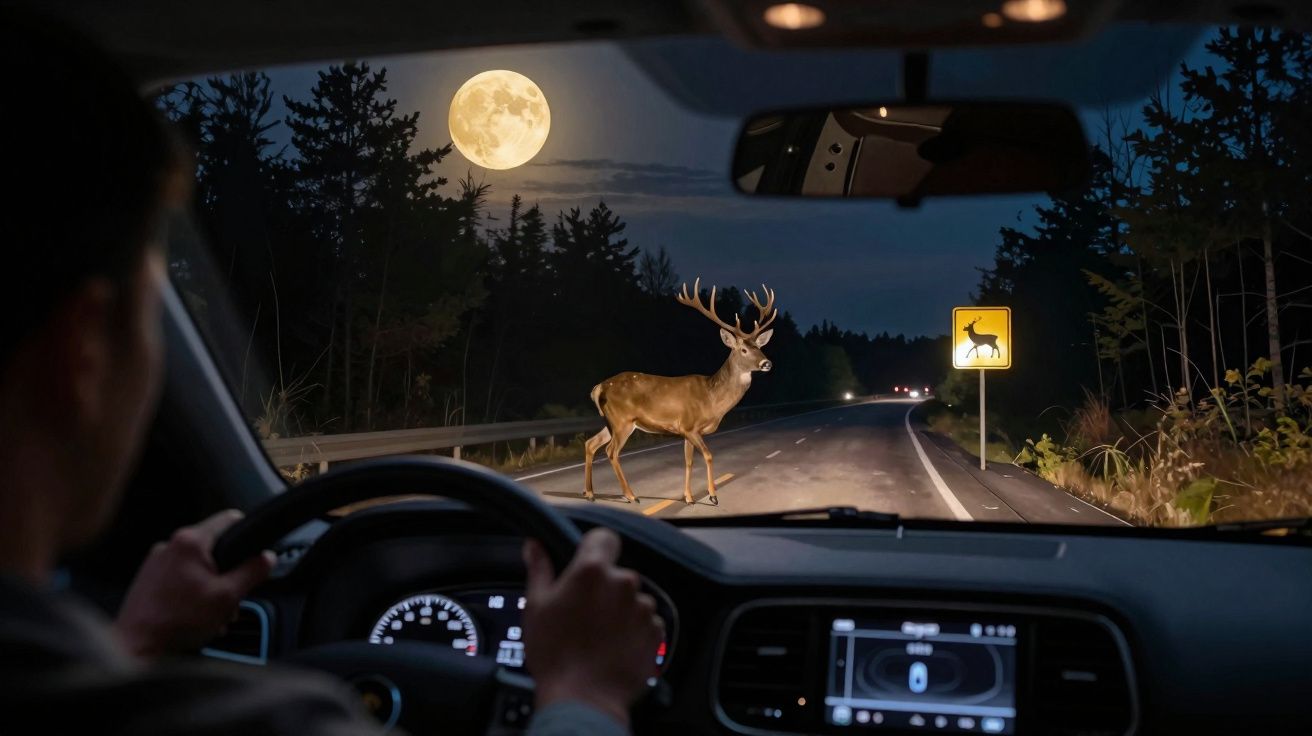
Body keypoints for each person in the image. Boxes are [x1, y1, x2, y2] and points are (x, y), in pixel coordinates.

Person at [0, 9, 662, 735]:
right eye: (153, 310)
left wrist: (135, 646)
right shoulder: (274, 724)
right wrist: (584, 691)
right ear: (83, 354)